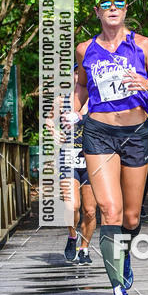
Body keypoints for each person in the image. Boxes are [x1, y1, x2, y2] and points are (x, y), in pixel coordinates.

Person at [73, 0, 148, 295]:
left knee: (130, 217)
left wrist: (147, 85)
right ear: (97, 11)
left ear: (125, 9)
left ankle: (123, 252)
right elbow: (82, 85)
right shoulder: (85, 49)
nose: (112, 7)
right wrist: (73, 113)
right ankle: (119, 293)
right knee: (109, 209)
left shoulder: (143, 45)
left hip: (136, 133)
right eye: (106, 3)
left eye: (118, 2)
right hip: (99, 133)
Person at [58, 65, 97, 264]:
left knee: (90, 210)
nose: (78, 77)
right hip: (68, 158)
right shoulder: (61, 100)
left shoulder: (98, 102)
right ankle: (72, 236)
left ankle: (85, 248)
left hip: (92, 159)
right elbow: (48, 121)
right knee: (72, 205)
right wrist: (53, 133)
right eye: (76, 73)